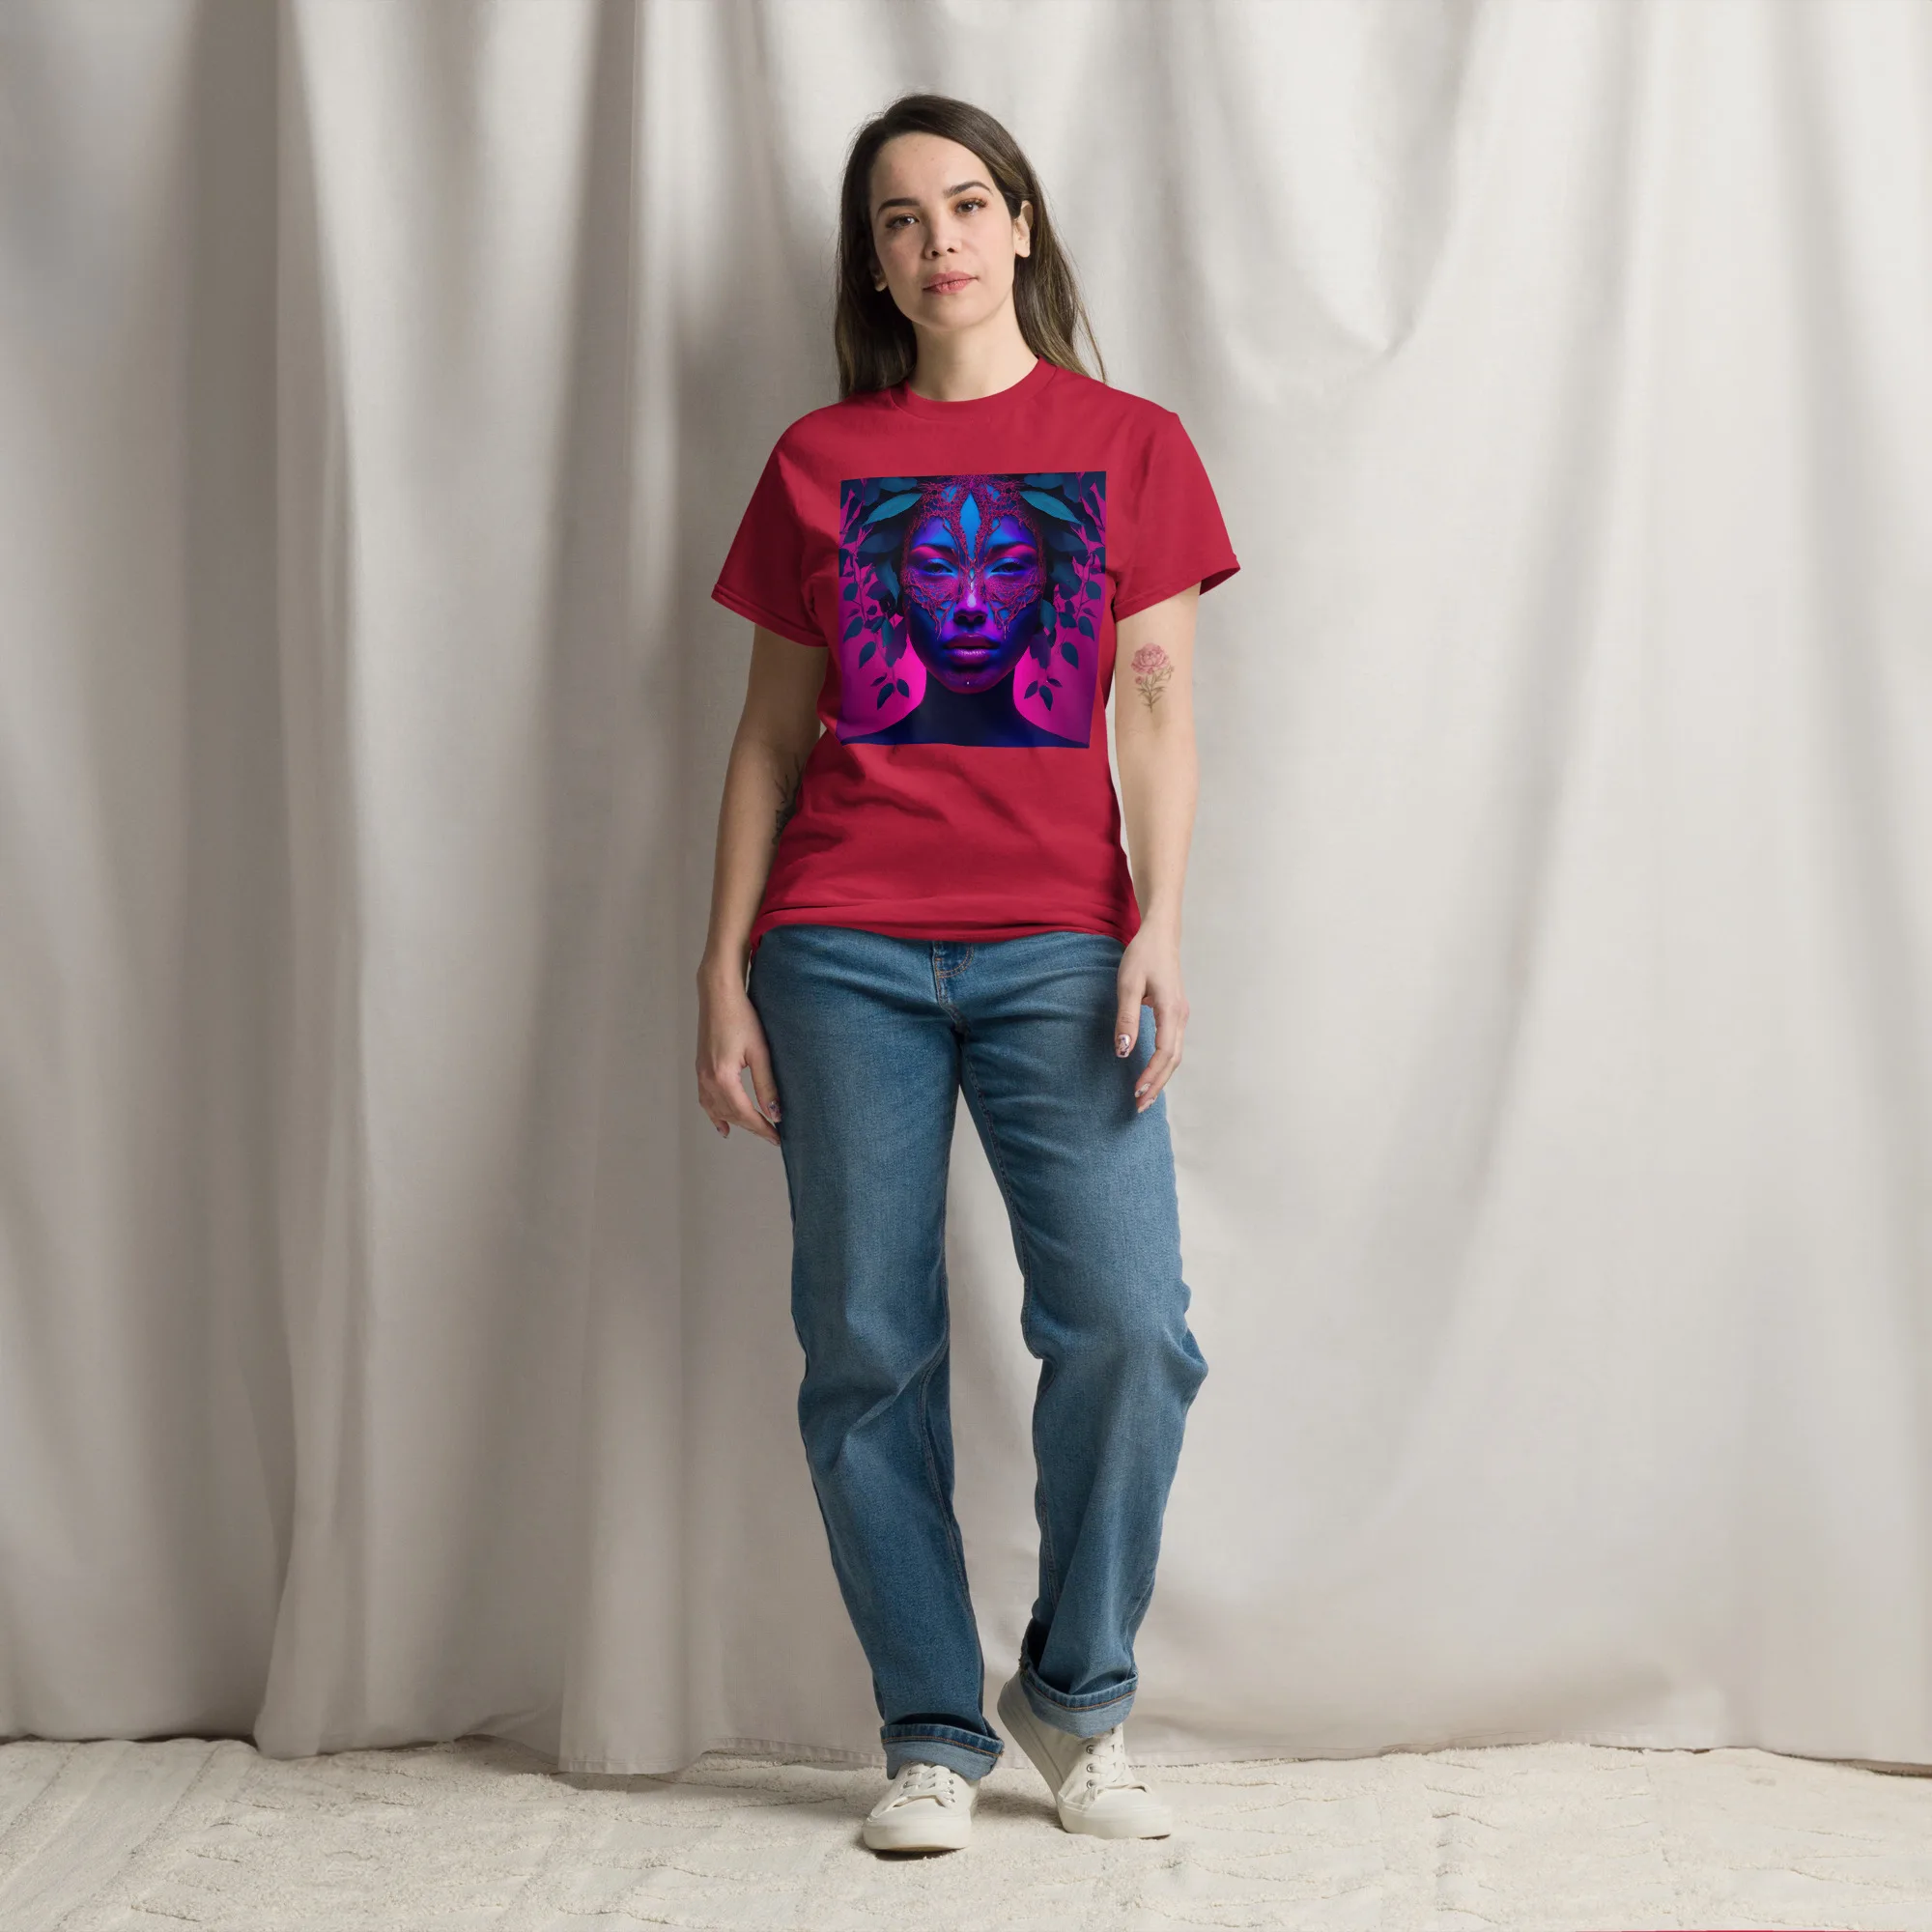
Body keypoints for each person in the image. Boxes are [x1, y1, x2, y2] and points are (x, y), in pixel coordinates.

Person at [696, 92, 1239, 1857]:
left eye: (967, 204)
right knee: (865, 1343)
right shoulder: (820, 460)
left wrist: (1161, 920)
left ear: (1021, 225)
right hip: (838, 948)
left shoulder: (1130, 447)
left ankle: (1074, 1696)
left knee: (1131, 1332)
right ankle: (931, 1726)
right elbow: (769, 741)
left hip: (1060, 948)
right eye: (899, 219)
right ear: (875, 264)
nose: (938, 240)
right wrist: (721, 969)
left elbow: (1155, 711)